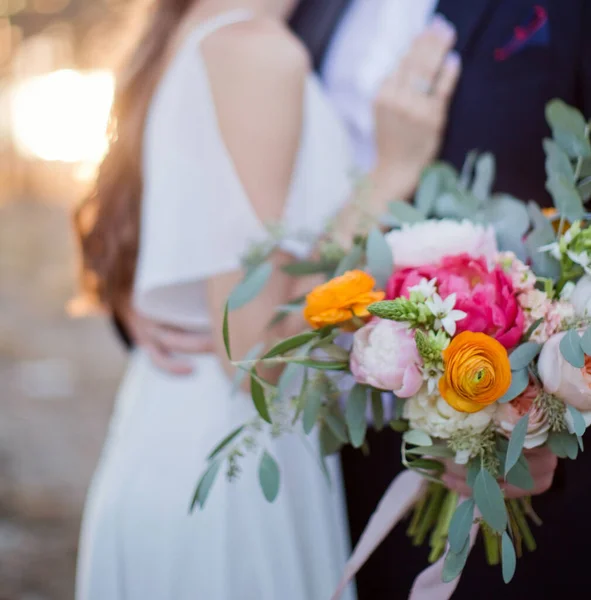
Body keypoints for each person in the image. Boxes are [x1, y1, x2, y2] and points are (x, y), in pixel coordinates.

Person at [104, 0, 582, 597]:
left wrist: (546, 414)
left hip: (469, 500)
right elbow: (252, 348)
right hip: (246, 446)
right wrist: (391, 172)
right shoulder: (264, 35)